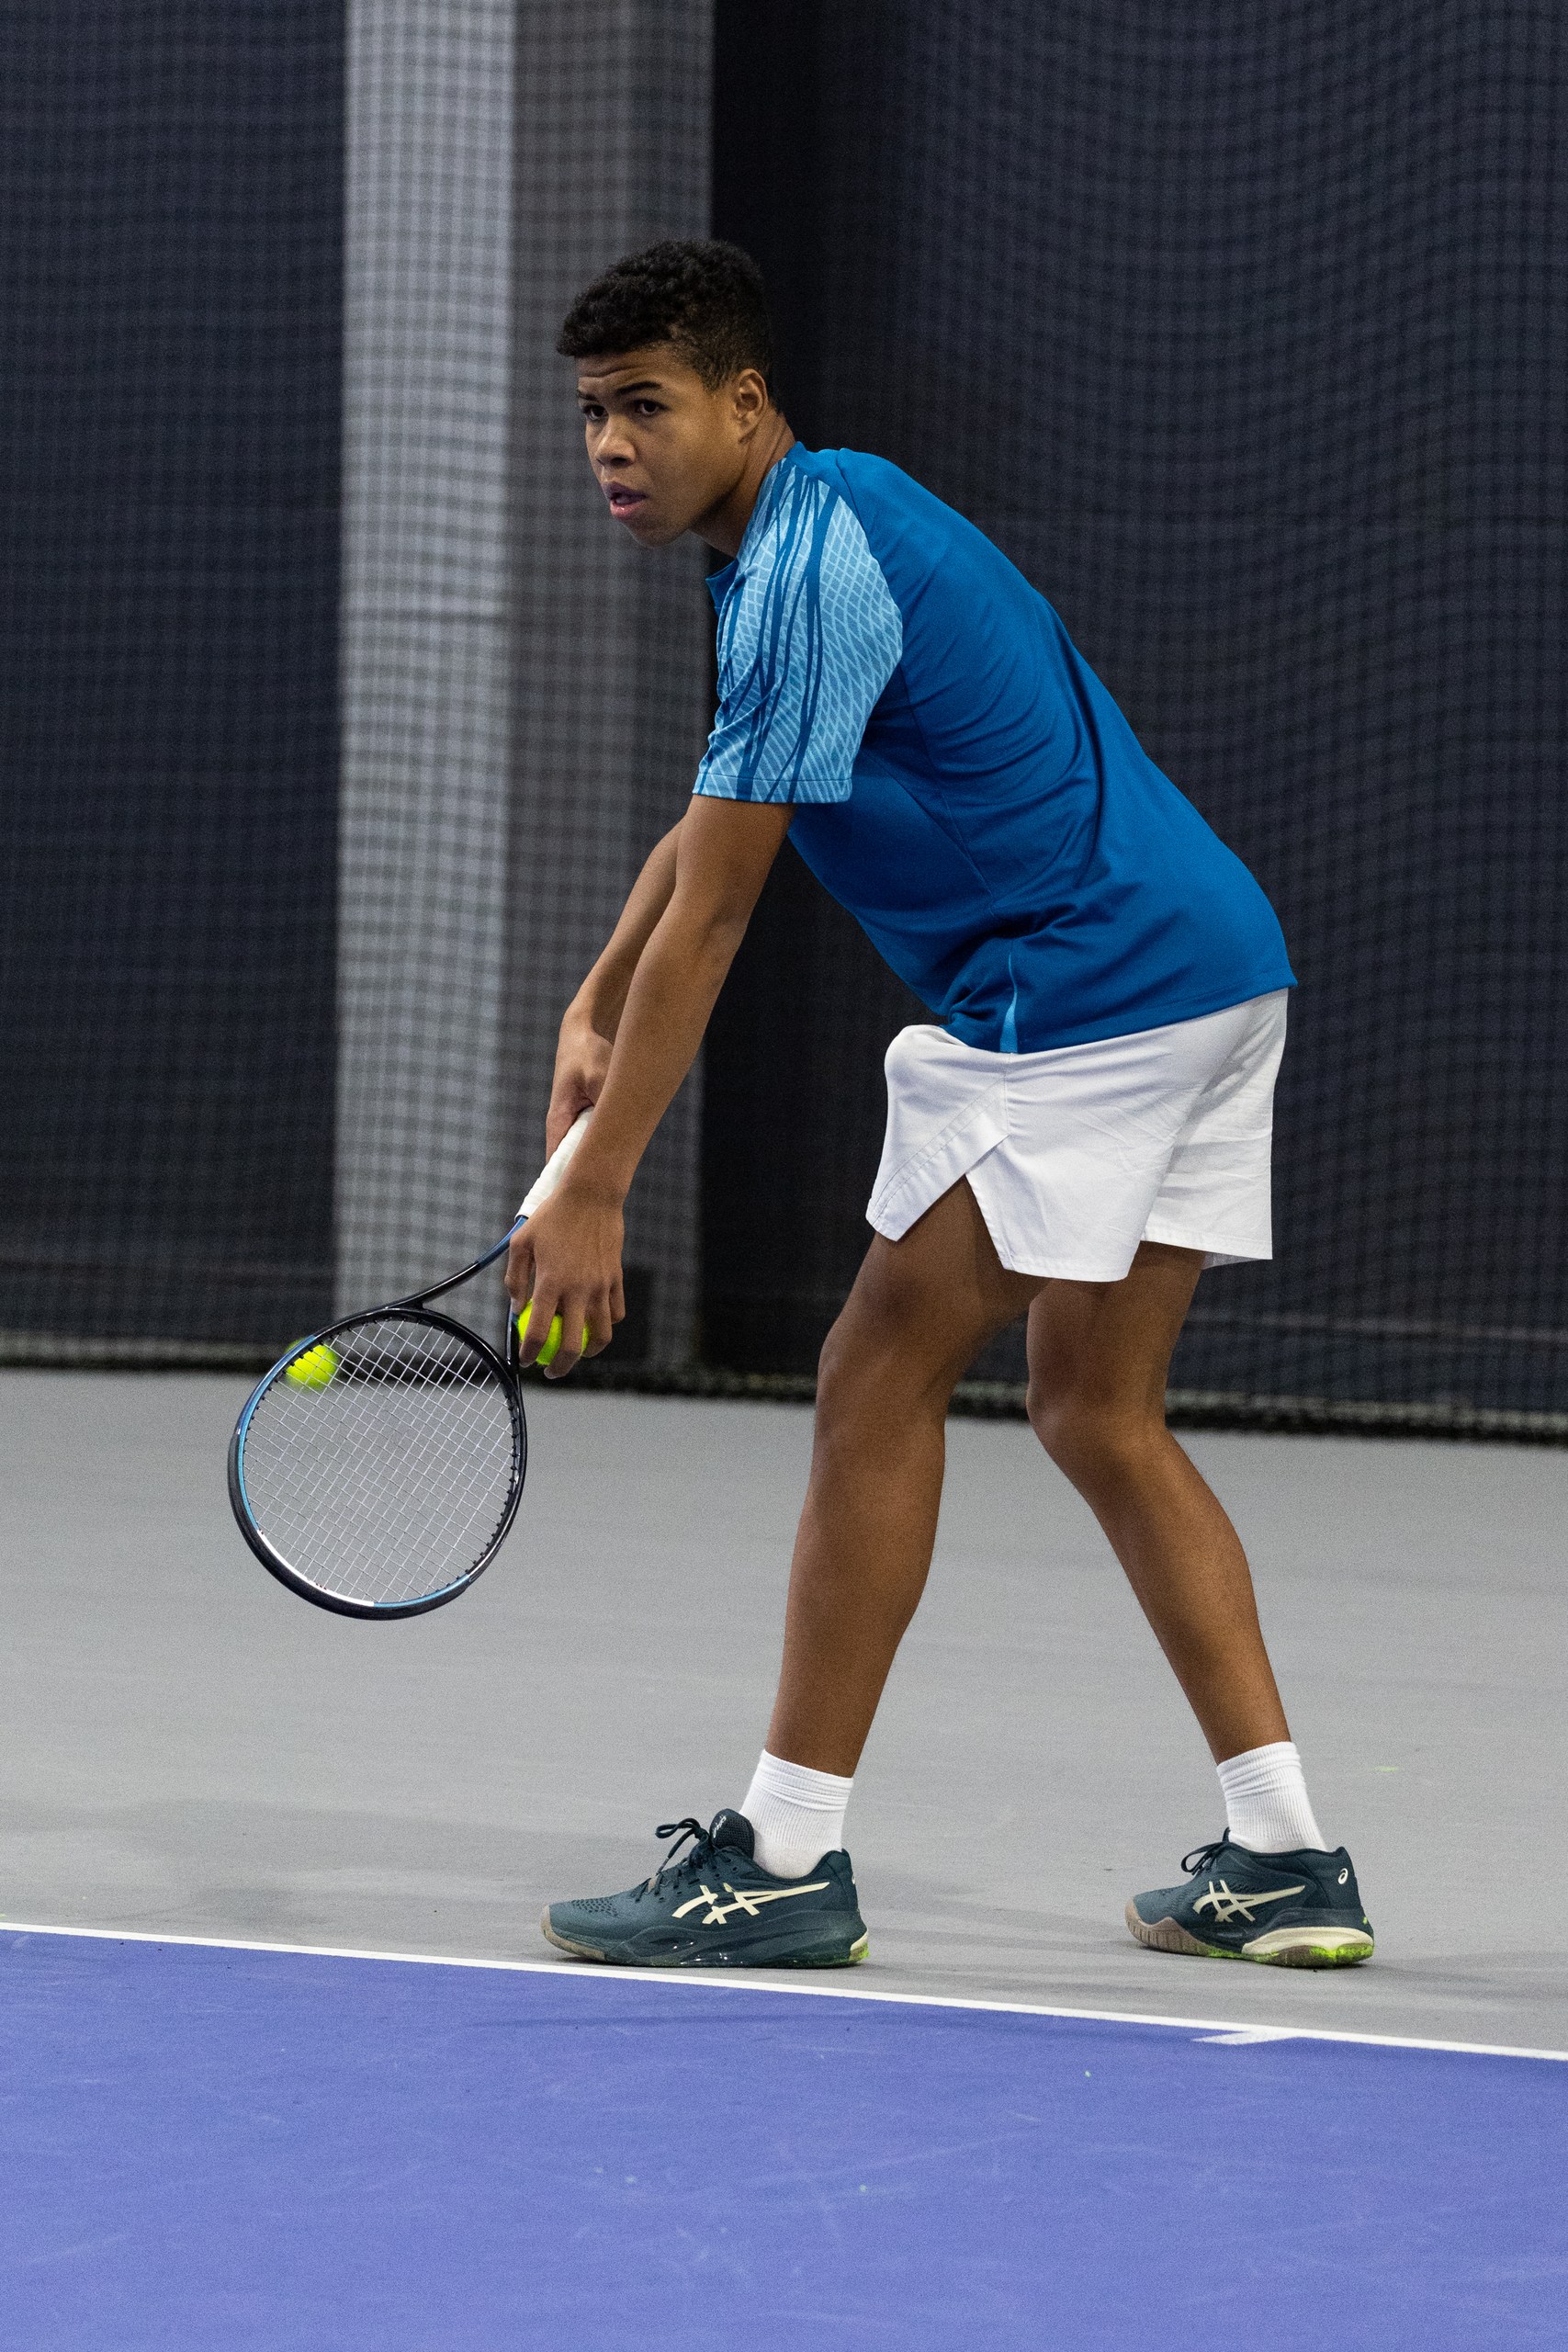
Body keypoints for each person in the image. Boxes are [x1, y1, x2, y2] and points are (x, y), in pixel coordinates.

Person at [512, 239, 1372, 1973]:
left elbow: (725, 913)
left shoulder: (804, 572)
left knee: (872, 1376)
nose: (611, 444)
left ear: (744, 402)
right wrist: (595, 994)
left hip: (1089, 995)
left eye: (646, 407)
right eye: (593, 412)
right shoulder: (821, 524)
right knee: (1098, 1412)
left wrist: (597, 1181)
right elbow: (714, 822)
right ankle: (1288, 1855)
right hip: (1215, 967)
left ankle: (783, 1859)